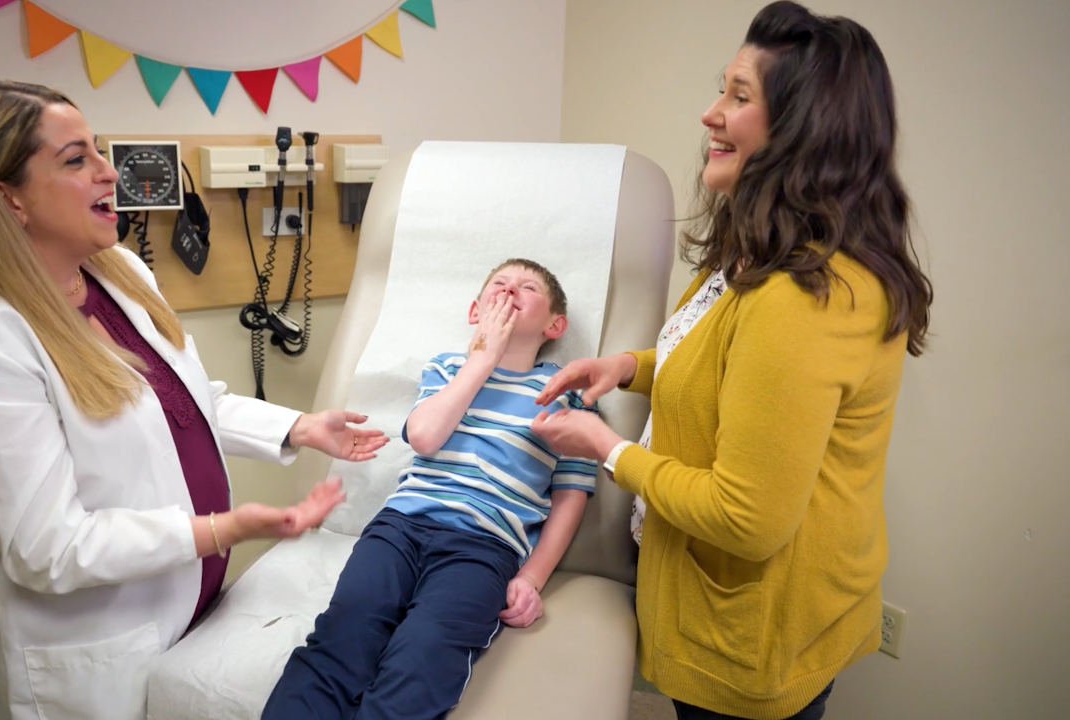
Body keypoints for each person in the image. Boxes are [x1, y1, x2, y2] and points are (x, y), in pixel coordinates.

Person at [0, 80, 388, 720]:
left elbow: (184, 404)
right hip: (106, 648)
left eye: (98, 149)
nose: (109, 172)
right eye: (76, 159)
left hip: (194, 608)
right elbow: (49, 546)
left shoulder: (119, 275)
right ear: (9, 198)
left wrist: (300, 426)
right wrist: (223, 529)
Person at [529, 3, 934, 720]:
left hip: (754, 636)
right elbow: (724, 361)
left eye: (739, 97)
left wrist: (607, 449)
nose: (710, 114)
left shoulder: (803, 296)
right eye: (722, 89)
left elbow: (746, 517)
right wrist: (629, 367)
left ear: (803, 130)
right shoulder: (764, 252)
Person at [261, 259, 598, 720]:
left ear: (554, 325)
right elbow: (423, 437)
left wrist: (531, 578)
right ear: (475, 312)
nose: (509, 290)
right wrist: (483, 359)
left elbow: (571, 496)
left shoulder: (567, 395)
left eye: (527, 287)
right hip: (399, 528)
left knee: (423, 654)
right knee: (343, 636)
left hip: (484, 547)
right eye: (499, 284)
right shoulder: (447, 369)